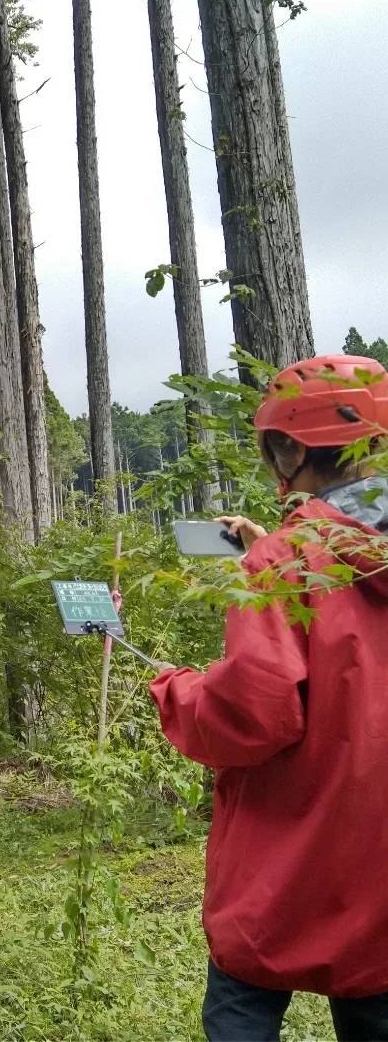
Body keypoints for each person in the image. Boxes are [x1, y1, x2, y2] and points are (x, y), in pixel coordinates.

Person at [151, 354, 388, 1042]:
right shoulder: (286, 555)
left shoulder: (284, 563)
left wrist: (176, 689)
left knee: (244, 994)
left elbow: (251, 715)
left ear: (289, 447)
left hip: (286, 858)